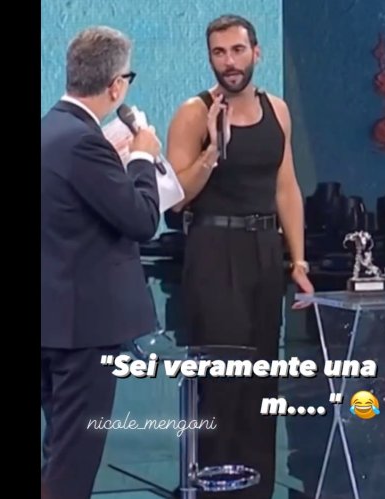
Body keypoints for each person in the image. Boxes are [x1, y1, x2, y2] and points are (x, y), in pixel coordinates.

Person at [166, 14, 314, 499]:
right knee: (223, 383)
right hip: (213, 251)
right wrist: (213, 148)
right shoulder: (193, 113)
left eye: (236, 50)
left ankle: (256, 491)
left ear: (256, 53)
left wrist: (298, 261)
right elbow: (175, 198)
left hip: (264, 253)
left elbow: (286, 188)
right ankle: (211, 490)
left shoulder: (278, 110)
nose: (228, 62)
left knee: (261, 382)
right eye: (219, 53)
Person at [41, 26, 162, 499]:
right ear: (116, 86)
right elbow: (141, 219)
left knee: (59, 454)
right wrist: (142, 159)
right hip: (83, 332)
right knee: (73, 463)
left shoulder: (51, 130)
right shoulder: (84, 142)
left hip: (54, 324)